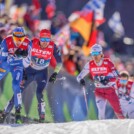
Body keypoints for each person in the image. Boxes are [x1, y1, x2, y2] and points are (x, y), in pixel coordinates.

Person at [0, 29, 62, 123]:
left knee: (39, 93)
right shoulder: (33, 42)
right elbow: (20, 51)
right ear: (39, 38)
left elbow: (59, 62)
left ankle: (42, 118)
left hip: (42, 72)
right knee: (18, 92)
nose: (45, 42)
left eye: (47, 40)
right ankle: (4, 113)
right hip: (29, 71)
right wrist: (20, 54)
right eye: (43, 39)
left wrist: (55, 73)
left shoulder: (53, 47)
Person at [77, 44, 125, 119]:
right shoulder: (90, 64)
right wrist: (81, 80)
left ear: (101, 54)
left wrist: (108, 80)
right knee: (101, 111)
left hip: (110, 90)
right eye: (93, 54)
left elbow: (118, 77)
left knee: (118, 111)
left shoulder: (108, 63)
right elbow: (79, 76)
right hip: (99, 91)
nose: (95, 56)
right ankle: (101, 129)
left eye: (96, 54)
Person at [0, 27, 31, 123]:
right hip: (5, 65)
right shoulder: (6, 41)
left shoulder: (28, 43)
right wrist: (14, 56)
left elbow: (28, 63)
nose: (18, 41)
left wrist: (24, 57)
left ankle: (18, 111)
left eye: (21, 39)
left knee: (16, 85)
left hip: (17, 66)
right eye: (16, 39)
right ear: (12, 36)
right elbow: (2, 61)